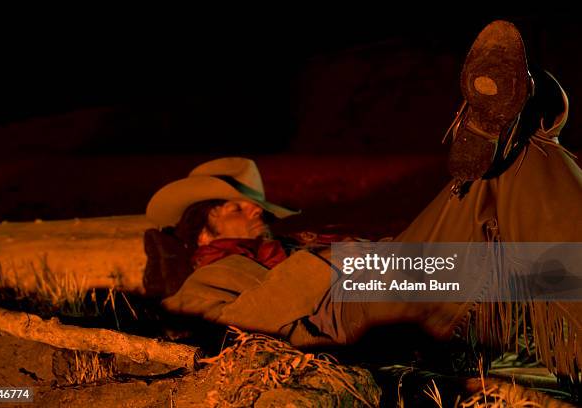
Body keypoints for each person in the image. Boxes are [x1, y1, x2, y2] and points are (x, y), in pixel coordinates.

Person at [146, 21, 582, 375]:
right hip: (348, 310)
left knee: (513, 164)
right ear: (203, 226)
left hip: (392, 273)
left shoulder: (286, 246)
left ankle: (511, 117)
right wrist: (324, 264)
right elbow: (232, 334)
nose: (255, 209)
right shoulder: (195, 286)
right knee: (495, 181)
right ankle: (522, 113)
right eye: (237, 206)